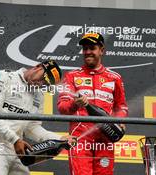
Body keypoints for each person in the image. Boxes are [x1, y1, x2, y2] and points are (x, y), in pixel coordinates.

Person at [0, 60, 75, 175]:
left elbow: (32, 128)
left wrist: (59, 139)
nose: (41, 84)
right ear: (38, 67)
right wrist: (15, 139)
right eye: (43, 79)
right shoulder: (4, 77)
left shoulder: (39, 95)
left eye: (46, 85)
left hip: (17, 149)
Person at [57, 33, 128, 175]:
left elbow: (121, 106)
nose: (88, 52)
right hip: (81, 138)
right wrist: (75, 104)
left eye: (92, 48)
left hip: (105, 137)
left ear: (101, 50)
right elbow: (62, 107)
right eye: (85, 49)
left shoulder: (114, 77)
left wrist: (120, 120)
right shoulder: (72, 76)